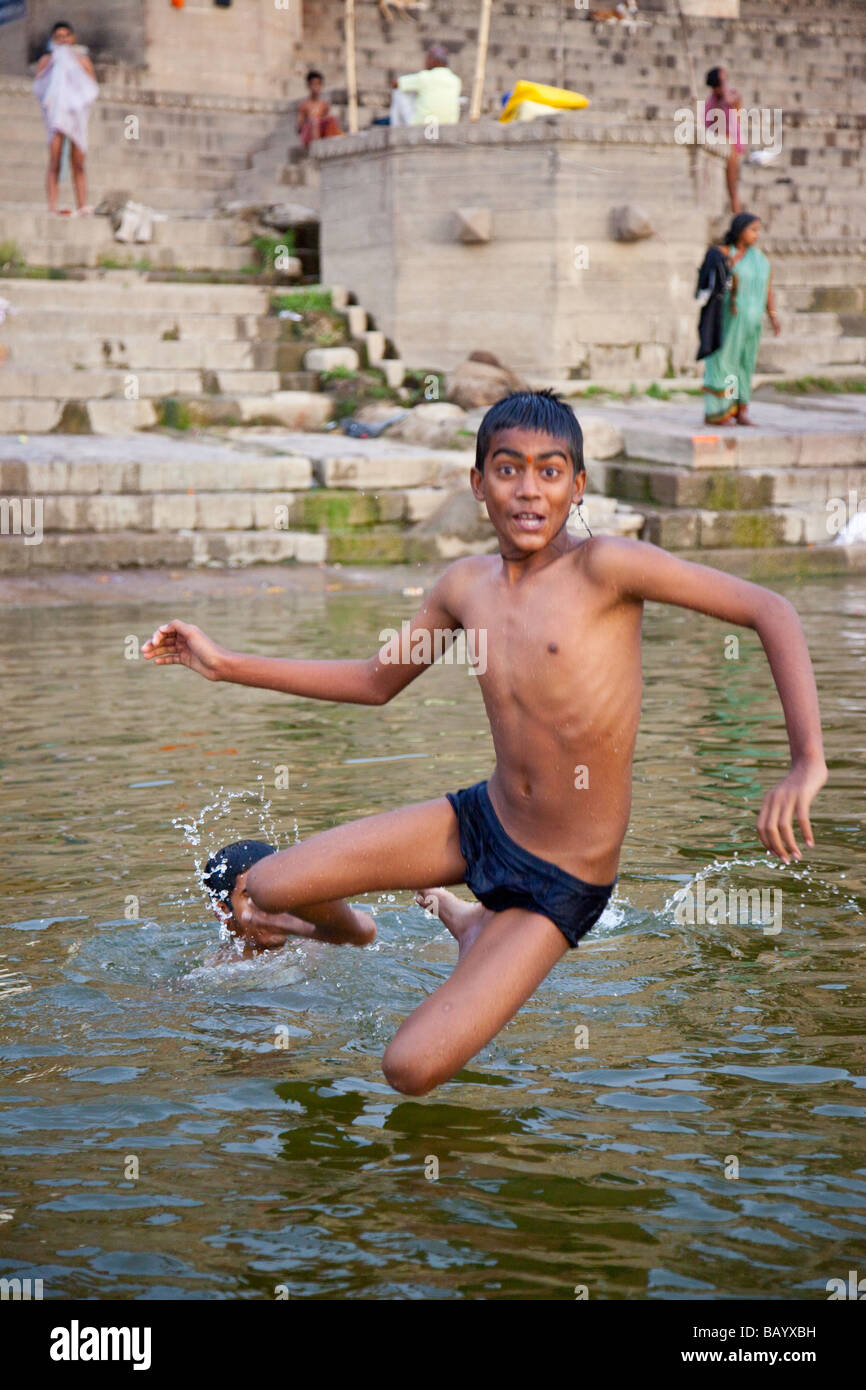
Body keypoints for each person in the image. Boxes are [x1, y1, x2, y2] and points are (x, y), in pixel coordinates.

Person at [143, 390, 827, 1096]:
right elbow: (375, 681)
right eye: (508, 469)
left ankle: (477, 928)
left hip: (562, 878)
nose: (528, 490)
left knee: (406, 1070)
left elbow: (770, 610)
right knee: (269, 884)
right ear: (477, 484)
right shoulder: (466, 585)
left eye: (550, 471)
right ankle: (355, 933)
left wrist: (806, 758)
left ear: (578, 485)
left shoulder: (610, 569)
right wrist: (224, 665)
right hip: (482, 821)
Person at [202, 839, 375, 954]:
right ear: (221, 911)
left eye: (276, 891)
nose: (270, 906)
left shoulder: (318, 946)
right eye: (253, 897)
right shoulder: (215, 976)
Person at [701, 212, 780, 426]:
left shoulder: (760, 260)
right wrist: (730, 263)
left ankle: (741, 409)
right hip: (730, 321)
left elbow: (767, 289)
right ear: (739, 231)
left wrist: (772, 315)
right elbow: (714, 281)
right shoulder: (724, 254)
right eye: (752, 230)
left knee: (744, 365)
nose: (756, 235)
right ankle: (720, 410)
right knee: (725, 363)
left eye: (758, 231)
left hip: (752, 324)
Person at [33, 20, 98, 215]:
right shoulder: (47, 61)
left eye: (65, 36)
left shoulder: (82, 61)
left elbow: (91, 88)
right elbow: (40, 87)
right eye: (58, 37)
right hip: (56, 116)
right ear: (53, 40)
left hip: (76, 116)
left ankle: (81, 203)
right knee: (54, 159)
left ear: (72, 38)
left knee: (78, 161)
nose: (62, 40)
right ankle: (52, 205)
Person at [705, 65, 744, 215]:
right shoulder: (711, 102)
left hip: (731, 146)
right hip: (714, 145)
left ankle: (738, 218)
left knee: (732, 187)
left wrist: (724, 82)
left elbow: (730, 100)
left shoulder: (733, 95)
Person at [391, 44, 461, 128]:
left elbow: (395, 83)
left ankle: (395, 127)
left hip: (422, 124)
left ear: (436, 61)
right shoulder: (455, 80)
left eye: (428, 58)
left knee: (399, 90)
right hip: (449, 125)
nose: (426, 62)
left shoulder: (424, 77)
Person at [297, 70, 342, 148]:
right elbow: (299, 127)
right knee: (314, 122)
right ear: (308, 86)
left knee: (332, 120)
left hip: (321, 135)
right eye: (313, 84)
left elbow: (327, 121)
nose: (316, 87)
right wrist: (310, 122)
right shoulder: (304, 105)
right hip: (308, 136)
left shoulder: (324, 104)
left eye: (318, 84)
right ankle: (316, 148)